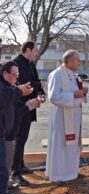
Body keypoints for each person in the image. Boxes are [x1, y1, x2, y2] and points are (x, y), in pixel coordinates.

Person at [46, 50, 88, 182]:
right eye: (77, 61)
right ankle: (58, 175)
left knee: (72, 146)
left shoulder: (73, 75)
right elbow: (53, 97)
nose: (79, 63)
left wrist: (82, 93)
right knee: (60, 146)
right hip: (61, 118)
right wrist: (74, 95)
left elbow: (75, 93)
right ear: (69, 61)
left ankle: (71, 172)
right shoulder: (57, 74)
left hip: (73, 117)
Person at [0, 62, 34, 194]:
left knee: (3, 174)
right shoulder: (6, 89)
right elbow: (3, 98)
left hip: (6, 135)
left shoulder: (10, 88)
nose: (17, 78)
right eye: (15, 75)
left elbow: (15, 110)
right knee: (2, 174)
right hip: (3, 137)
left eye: (17, 75)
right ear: (6, 74)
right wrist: (18, 91)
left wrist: (28, 106)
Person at [11, 41, 45, 186]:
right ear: (28, 50)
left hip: (30, 107)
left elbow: (35, 82)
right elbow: (27, 84)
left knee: (23, 138)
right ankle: (15, 172)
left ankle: (21, 164)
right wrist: (39, 85)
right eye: (35, 50)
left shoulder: (31, 64)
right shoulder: (15, 63)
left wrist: (42, 93)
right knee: (18, 140)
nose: (37, 53)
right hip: (19, 108)